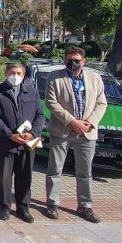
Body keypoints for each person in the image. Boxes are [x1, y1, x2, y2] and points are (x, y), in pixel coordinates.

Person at [45, 46, 107, 223]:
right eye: (69, 59)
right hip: (62, 130)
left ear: (84, 61)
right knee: (55, 169)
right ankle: (52, 203)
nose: (73, 62)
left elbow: (102, 103)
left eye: (77, 60)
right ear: (64, 60)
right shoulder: (54, 77)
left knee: (85, 172)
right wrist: (72, 121)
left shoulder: (95, 78)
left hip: (87, 132)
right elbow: (51, 102)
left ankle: (85, 206)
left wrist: (90, 122)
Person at [0, 62, 45, 223]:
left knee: (25, 176)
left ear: (24, 74)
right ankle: (5, 207)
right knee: (5, 177)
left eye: (19, 73)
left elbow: (40, 115)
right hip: (6, 143)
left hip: (28, 143)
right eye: (12, 73)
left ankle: (23, 208)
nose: (15, 76)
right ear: (6, 73)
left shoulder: (32, 93)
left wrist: (33, 133)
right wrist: (9, 134)